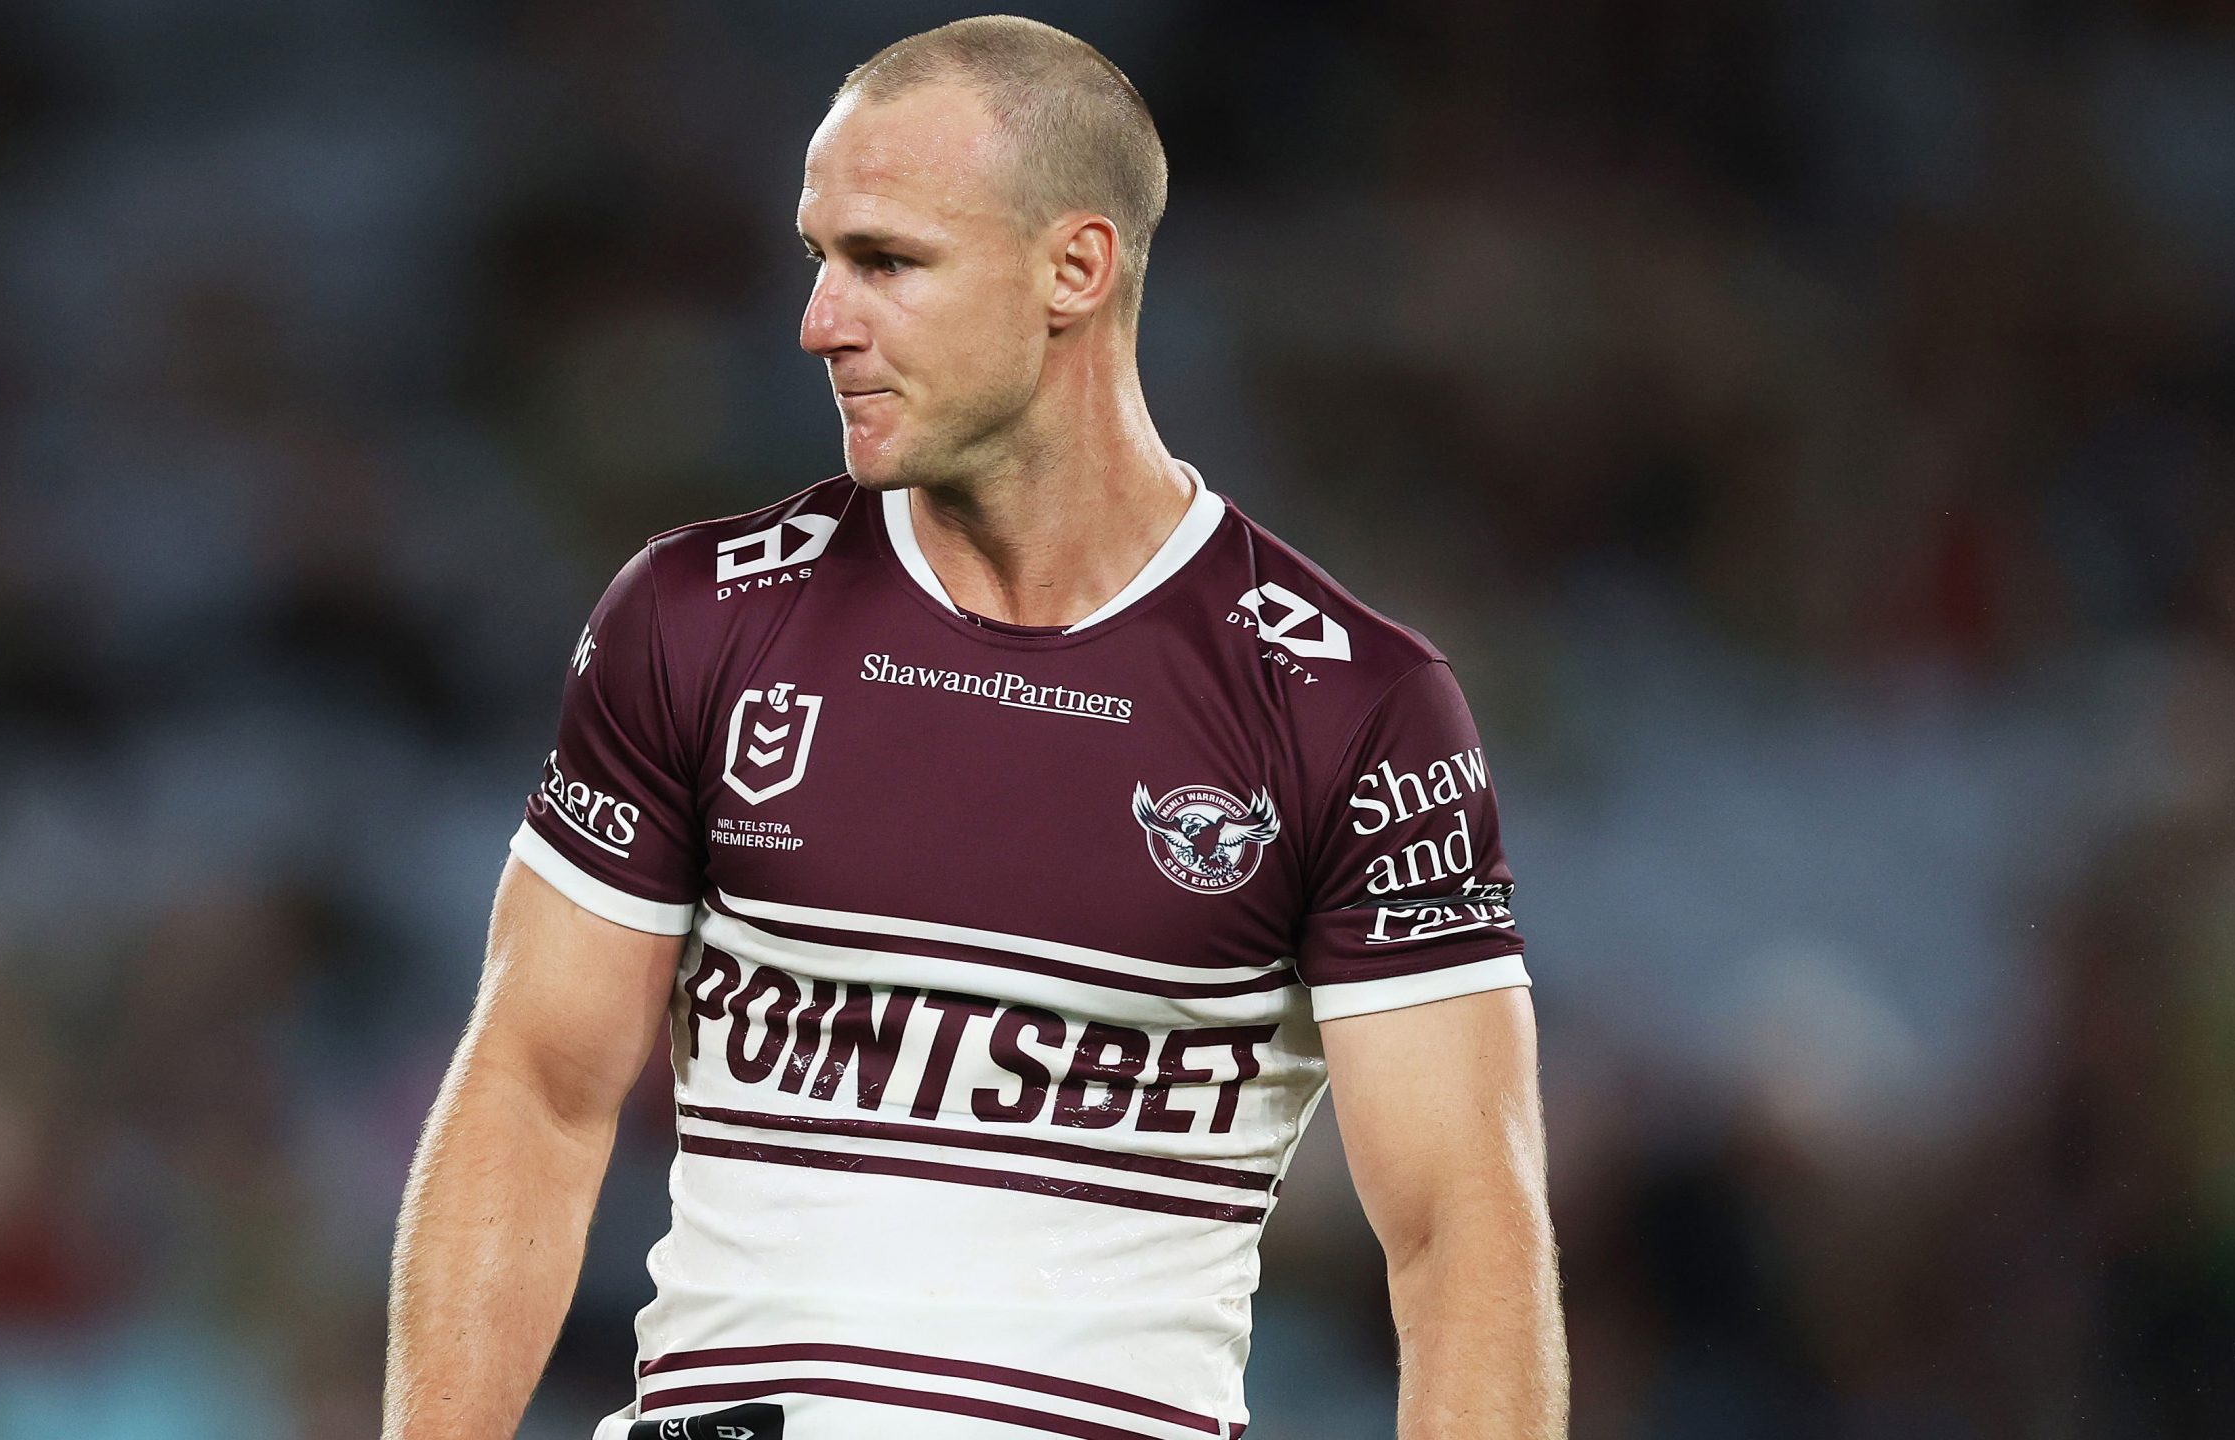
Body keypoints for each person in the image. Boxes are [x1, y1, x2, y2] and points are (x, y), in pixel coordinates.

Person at [385, 16, 1567, 1440]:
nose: (821, 319)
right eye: (818, 259)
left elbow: (1464, 1234)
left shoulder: (1350, 706)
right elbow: (536, 1088)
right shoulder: (698, 617)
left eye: (885, 262)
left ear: (1075, 269)